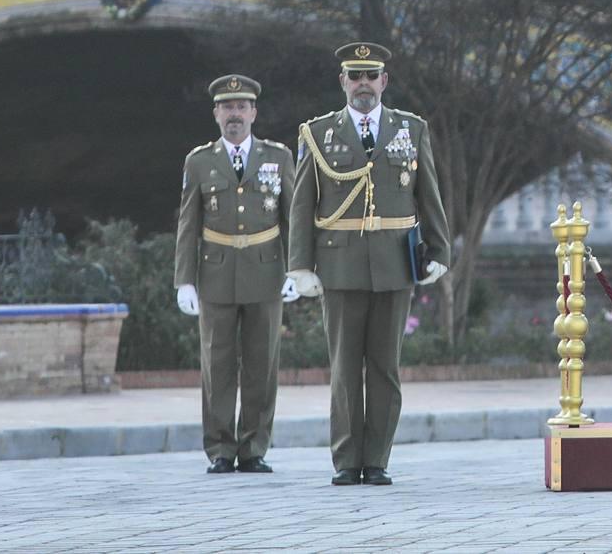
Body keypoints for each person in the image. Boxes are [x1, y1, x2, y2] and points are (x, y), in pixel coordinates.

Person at [287, 42, 450, 486]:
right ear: (342, 81)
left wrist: (439, 250)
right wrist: (300, 266)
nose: (363, 84)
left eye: (371, 76)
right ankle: (346, 460)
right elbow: (303, 205)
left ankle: (376, 459)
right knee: (344, 368)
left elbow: (428, 196)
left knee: (384, 367)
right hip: (339, 266)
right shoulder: (317, 134)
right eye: (354, 76)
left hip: (396, 263)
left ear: (384, 81)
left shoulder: (410, 129)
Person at [173, 74, 297, 475]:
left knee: (262, 364)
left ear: (254, 112)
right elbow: (188, 224)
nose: (235, 115)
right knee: (218, 364)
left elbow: (291, 217)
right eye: (227, 107)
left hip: (265, 273)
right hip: (216, 273)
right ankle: (221, 449)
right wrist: (184, 280)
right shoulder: (200, 161)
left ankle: (254, 447)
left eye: (242, 107)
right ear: (216, 113)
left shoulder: (277, 157)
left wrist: (298, 268)